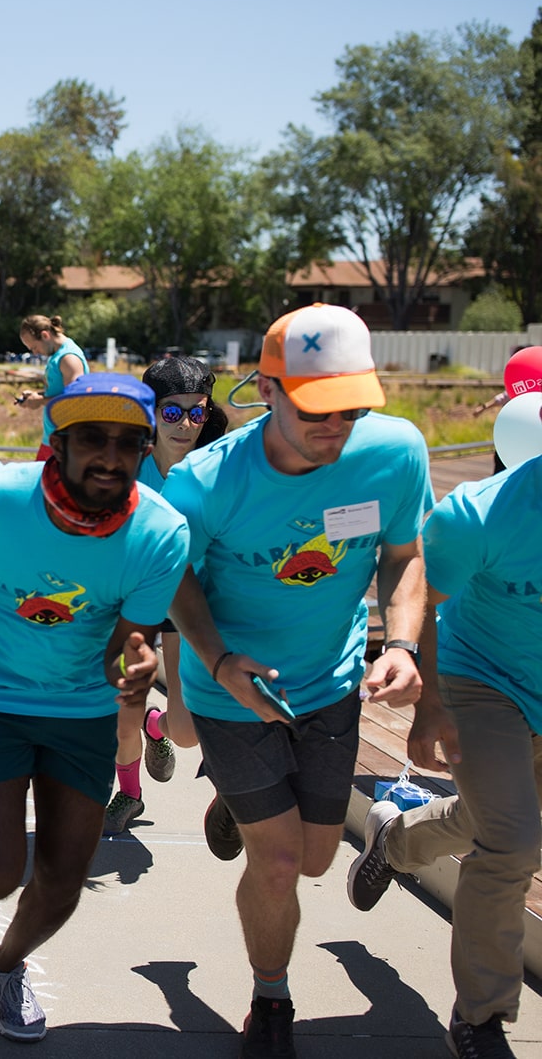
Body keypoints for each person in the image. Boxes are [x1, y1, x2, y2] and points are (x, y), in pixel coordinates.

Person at [161, 303, 432, 1057]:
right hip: (230, 691)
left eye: (350, 406)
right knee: (278, 864)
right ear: (268, 389)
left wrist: (402, 643)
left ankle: (237, 807)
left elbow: (405, 555)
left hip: (332, 685)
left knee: (315, 859)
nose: (334, 425)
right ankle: (271, 996)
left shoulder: (395, 453)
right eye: (315, 406)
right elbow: (175, 581)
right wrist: (214, 659)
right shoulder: (206, 481)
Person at [0, 374, 188, 1043]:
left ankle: (4, 970)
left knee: (64, 880)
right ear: (56, 444)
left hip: (82, 705)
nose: (110, 457)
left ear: (147, 450)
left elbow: (127, 644)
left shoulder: (161, 533)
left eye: (128, 443)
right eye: (91, 439)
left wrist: (137, 667)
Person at [344, 429, 538, 1058]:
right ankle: (480, 1018)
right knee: (510, 844)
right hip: (485, 681)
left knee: (490, 822)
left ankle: (396, 838)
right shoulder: (479, 514)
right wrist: (430, 708)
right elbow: (426, 594)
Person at [103, 356, 229, 835]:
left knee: (185, 731)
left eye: (196, 413)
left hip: (187, 602)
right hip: (130, 598)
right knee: (122, 710)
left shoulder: (216, 467)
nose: (186, 425)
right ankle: (130, 793)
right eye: (172, 412)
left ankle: (158, 727)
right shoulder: (126, 461)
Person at [17, 314, 88, 461]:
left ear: (45, 335)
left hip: (65, 442)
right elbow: (60, 391)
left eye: (34, 347)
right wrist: (36, 395)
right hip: (51, 438)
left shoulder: (69, 358)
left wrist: (41, 400)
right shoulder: (56, 356)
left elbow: (74, 398)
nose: (35, 353)